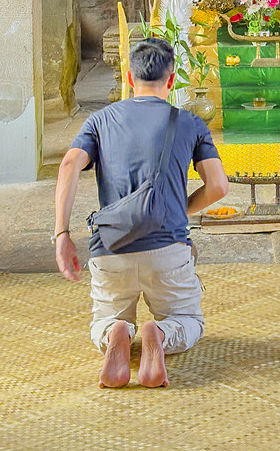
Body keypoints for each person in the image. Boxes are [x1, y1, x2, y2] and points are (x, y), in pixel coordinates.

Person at [53, 38, 228, 389]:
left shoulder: (100, 120)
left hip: (111, 248)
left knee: (102, 320)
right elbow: (218, 187)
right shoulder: (191, 123)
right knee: (188, 320)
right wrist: (179, 209)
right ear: (172, 79)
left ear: (130, 80)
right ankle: (160, 332)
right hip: (168, 251)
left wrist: (62, 234)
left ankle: (117, 330)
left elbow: (71, 163)